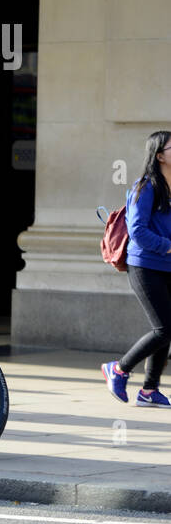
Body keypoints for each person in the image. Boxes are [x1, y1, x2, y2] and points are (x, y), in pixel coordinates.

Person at [102, 131, 171, 407]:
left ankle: (149, 391)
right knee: (164, 328)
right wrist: (167, 246)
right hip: (145, 265)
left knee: (167, 326)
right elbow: (138, 230)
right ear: (159, 156)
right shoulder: (145, 187)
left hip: (167, 266)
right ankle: (118, 369)